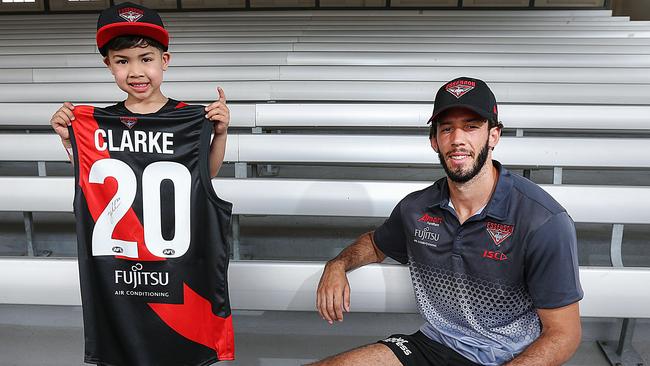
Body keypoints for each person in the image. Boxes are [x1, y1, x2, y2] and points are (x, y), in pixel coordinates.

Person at [313, 77, 583, 366]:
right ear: (434, 141)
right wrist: (338, 264)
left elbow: (564, 333)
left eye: (471, 126)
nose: (457, 139)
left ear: (494, 135)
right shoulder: (416, 208)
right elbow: (375, 244)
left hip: (511, 356)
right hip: (435, 343)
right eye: (446, 129)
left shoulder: (542, 219)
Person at [50, 2, 229, 177]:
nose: (136, 72)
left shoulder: (187, 119)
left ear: (164, 60)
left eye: (146, 59)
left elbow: (207, 174)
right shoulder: (101, 123)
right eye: (122, 61)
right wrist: (69, 140)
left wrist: (220, 134)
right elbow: (90, 173)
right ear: (109, 65)